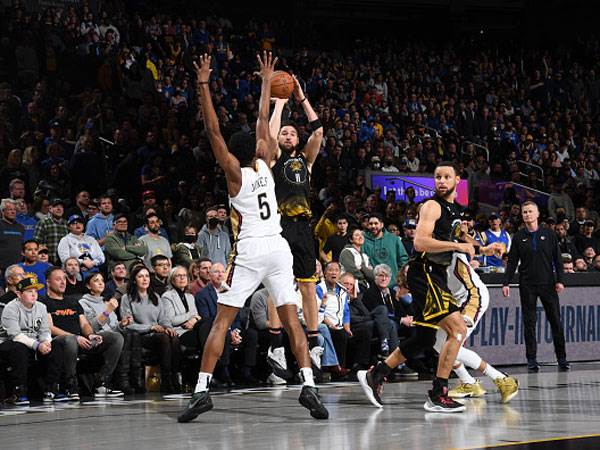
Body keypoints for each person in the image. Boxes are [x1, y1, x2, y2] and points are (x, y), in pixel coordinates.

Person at [178, 53, 327, 423]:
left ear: (234, 152)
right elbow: (263, 120)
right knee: (292, 320)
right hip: (279, 248)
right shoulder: (265, 163)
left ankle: (200, 392)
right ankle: (308, 384)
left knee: (221, 323)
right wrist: (264, 81)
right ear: (257, 149)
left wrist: (203, 85)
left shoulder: (234, 173)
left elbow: (213, 131)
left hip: (249, 251)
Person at [358, 161, 493, 413]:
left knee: (424, 338)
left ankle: (376, 374)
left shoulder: (455, 210)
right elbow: (420, 242)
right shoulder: (431, 205)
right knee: (458, 330)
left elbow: (462, 238)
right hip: (426, 272)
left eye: (446, 177)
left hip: (436, 275)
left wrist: (483, 249)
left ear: (456, 180)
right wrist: (456, 247)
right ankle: (438, 393)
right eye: (437, 177)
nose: (441, 181)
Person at [267, 63, 324, 363]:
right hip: (280, 225)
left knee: (307, 286)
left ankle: (313, 341)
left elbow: (319, 130)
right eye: (285, 133)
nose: (288, 135)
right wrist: (279, 104)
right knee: (279, 284)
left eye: (292, 133)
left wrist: (301, 98)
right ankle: (275, 345)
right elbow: (269, 132)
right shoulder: (274, 157)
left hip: (304, 227)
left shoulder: (306, 160)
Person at [435, 251, 519, 403]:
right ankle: (469, 382)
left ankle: (502, 379)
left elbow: (469, 244)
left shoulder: (453, 252)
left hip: (472, 298)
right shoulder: (427, 255)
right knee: (438, 343)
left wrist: (485, 248)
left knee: (452, 344)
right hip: (454, 301)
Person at [502, 201, 569, 372]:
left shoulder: (549, 234)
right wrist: (506, 282)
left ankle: (562, 359)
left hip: (548, 284)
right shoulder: (518, 237)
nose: (527, 215)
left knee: (556, 321)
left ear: (538, 214)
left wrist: (560, 280)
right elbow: (512, 263)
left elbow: (558, 260)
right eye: (524, 212)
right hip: (527, 285)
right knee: (529, 323)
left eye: (530, 211)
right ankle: (531, 360)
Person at [40, 267, 125, 400]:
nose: (63, 282)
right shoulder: (44, 302)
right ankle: (70, 385)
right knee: (69, 339)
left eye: (64, 279)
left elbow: (84, 324)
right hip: (58, 342)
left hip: (80, 340)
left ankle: (101, 382)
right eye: (58, 279)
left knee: (115, 337)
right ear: (48, 282)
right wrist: (76, 337)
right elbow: (49, 327)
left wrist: (90, 335)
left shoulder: (73, 302)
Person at [0, 275, 63, 405]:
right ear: (18, 293)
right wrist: (37, 345)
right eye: (29, 291)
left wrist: (46, 341)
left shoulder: (41, 307)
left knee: (57, 345)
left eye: (35, 291)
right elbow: (15, 335)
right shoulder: (10, 308)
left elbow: (45, 330)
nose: (34, 294)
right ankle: (19, 391)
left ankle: (51, 388)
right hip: (9, 345)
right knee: (19, 347)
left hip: (34, 344)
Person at [120, 264, 181, 393]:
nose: (144, 279)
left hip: (157, 334)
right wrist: (151, 327)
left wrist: (168, 327)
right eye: (140, 276)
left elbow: (163, 318)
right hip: (140, 336)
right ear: (134, 280)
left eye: (147, 276)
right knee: (164, 338)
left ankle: (173, 376)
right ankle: (165, 380)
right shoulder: (127, 298)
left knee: (173, 337)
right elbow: (129, 325)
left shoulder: (155, 297)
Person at [79, 272, 137, 394]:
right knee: (116, 337)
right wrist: (108, 310)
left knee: (130, 334)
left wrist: (122, 324)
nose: (100, 282)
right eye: (96, 280)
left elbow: (113, 327)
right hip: (95, 337)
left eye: (102, 280)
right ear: (88, 286)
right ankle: (101, 380)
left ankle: (125, 380)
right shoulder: (83, 302)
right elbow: (92, 327)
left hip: (110, 336)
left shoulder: (105, 303)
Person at [362, 213, 409, 287]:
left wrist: (398, 276)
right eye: (370, 224)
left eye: (376, 223)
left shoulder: (394, 239)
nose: (373, 226)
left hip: (394, 284)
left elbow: (403, 259)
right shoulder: (363, 241)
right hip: (374, 285)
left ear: (382, 224)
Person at [33, 198, 68, 266]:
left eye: (61, 206)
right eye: (56, 206)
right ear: (50, 209)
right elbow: (36, 243)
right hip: (47, 262)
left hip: (63, 262)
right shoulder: (43, 223)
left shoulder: (67, 224)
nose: (59, 208)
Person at [0, 199, 26, 280]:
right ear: (3, 211)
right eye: (10, 209)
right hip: (2, 267)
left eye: (14, 209)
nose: (13, 212)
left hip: (18, 267)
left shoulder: (21, 227)